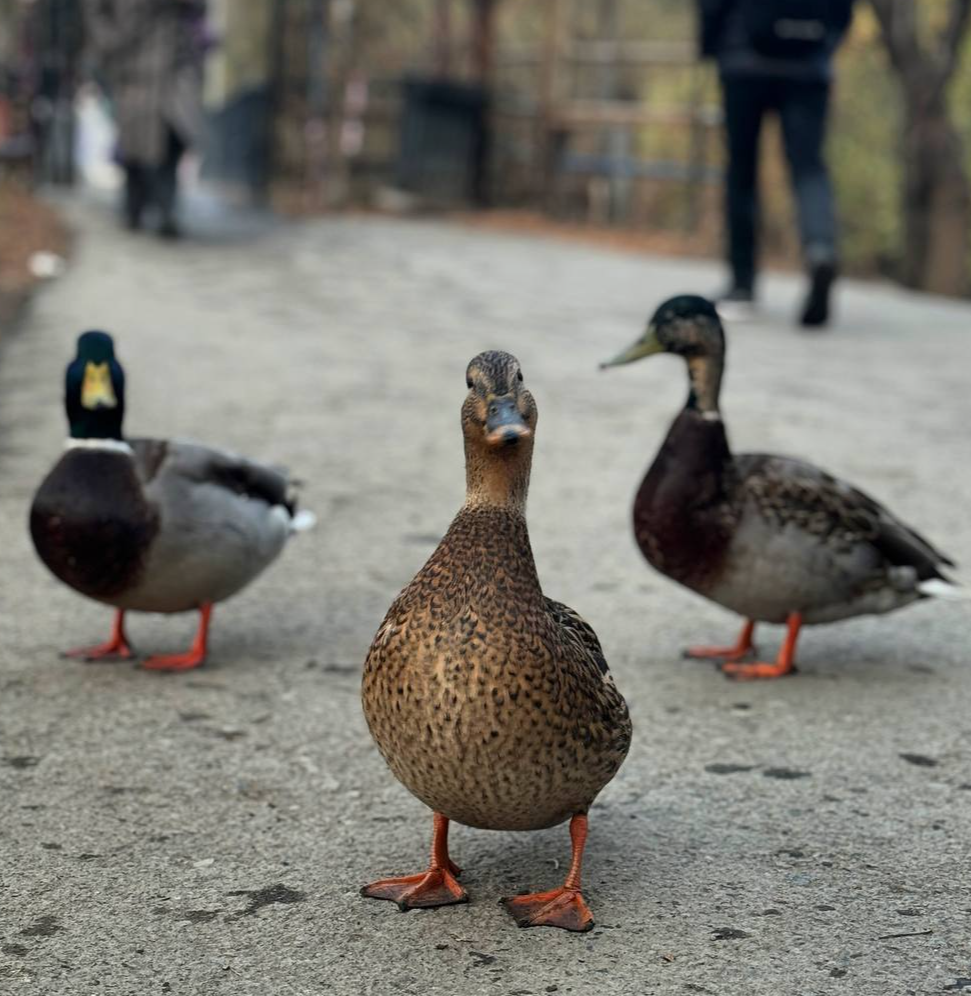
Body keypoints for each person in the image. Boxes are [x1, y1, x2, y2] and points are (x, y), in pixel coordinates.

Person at [698, 0, 855, 327]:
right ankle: (820, 249)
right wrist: (827, 42)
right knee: (809, 168)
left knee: (741, 172)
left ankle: (742, 285)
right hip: (809, 63)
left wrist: (710, 44)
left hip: (742, 58)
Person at [83, 0, 206, 238]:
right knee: (136, 144)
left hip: (174, 64)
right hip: (132, 64)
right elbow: (95, 11)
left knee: (172, 136)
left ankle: (166, 210)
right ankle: (134, 207)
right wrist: (110, 42)